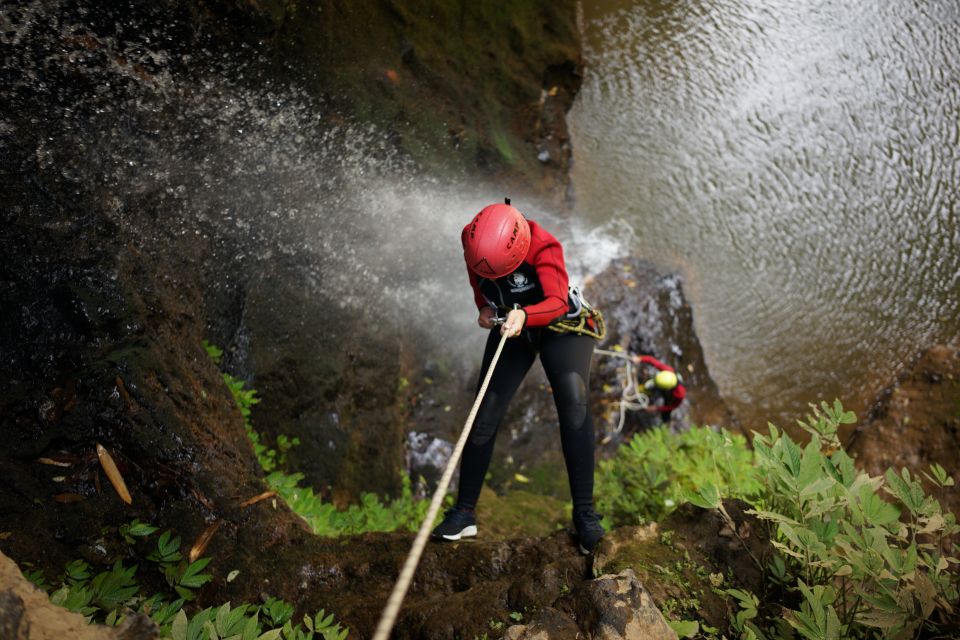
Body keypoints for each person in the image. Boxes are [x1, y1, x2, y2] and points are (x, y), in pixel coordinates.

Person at [430, 200, 605, 554]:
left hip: (560, 327)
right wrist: (483, 308)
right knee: (485, 409)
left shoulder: (544, 245)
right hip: (512, 325)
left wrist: (525, 315)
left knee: (573, 402)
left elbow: (556, 300)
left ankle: (585, 515)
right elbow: (479, 285)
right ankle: (464, 512)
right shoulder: (472, 240)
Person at [632, 354, 686, 422]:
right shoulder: (668, 370)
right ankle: (647, 392)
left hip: (669, 395)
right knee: (647, 387)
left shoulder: (679, 394)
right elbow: (652, 360)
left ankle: (666, 421)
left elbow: (673, 406)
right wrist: (640, 359)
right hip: (661, 385)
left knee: (666, 416)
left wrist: (657, 408)